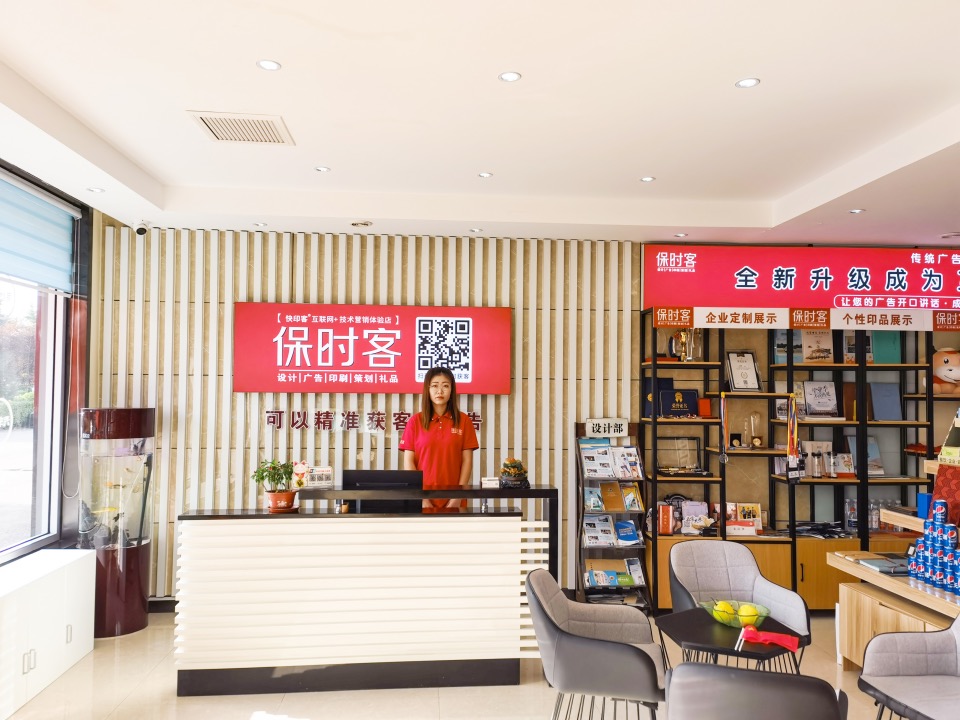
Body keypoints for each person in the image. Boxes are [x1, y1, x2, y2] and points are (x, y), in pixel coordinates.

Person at [399, 367, 478, 512]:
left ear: (452, 390)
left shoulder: (464, 421)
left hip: (455, 500)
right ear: (427, 389)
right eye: (435, 386)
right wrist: (422, 498)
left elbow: (467, 461)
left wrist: (458, 497)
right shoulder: (415, 421)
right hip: (422, 500)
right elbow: (408, 462)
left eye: (445, 386)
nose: (440, 391)